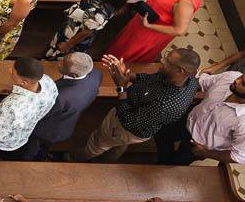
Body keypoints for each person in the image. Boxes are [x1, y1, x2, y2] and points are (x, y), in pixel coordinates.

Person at [71, 49, 199, 162]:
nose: (162, 60)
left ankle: (73, 159)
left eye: (167, 60)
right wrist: (127, 75)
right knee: (118, 143)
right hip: (134, 119)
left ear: (179, 70)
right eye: (166, 56)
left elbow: (128, 121)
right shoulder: (188, 79)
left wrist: (121, 87)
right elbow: (151, 78)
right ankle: (105, 161)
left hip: (127, 127)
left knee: (98, 144)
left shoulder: (166, 104)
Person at [6, 52, 100, 160]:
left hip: (47, 129)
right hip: (67, 121)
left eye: (63, 64)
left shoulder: (61, 97)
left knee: (30, 148)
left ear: (74, 75)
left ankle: (25, 160)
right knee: (43, 146)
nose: (59, 63)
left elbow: (40, 113)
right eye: (63, 59)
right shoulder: (96, 74)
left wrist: (21, 95)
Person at [156, 61, 245, 166]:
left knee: (177, 163)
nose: (236, 80)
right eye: (242, 77)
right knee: (161, 135)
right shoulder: (231, 77)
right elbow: (202, 82)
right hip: (188, 119)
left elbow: (239, 156)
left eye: (243, 83)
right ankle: (163, 161)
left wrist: (205, 152)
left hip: (198, 145)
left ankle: (164, 167)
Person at [0, 58, 58, 161]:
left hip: (1, 137)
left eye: (13, 71)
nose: (9, 70)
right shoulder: (48, 81)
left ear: (24, 82)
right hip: (23, 131)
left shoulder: (13, 106)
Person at [45, 0, 133, 59]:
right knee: (58, 40)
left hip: (77, 33)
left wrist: (68, 44)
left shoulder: (101, 12)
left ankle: (51, 58)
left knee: (61, 51)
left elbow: (87, 31)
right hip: (73, 22)